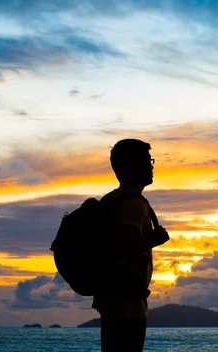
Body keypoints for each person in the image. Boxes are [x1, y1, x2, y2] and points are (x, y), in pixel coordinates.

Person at [92, 138, 170, 351]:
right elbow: (123, 250)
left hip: (113, 300)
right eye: (147, 160)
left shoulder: (112, 199)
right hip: (125, 304)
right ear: (131, 165)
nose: (151, 166)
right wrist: (153, 240)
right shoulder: (133, 204)